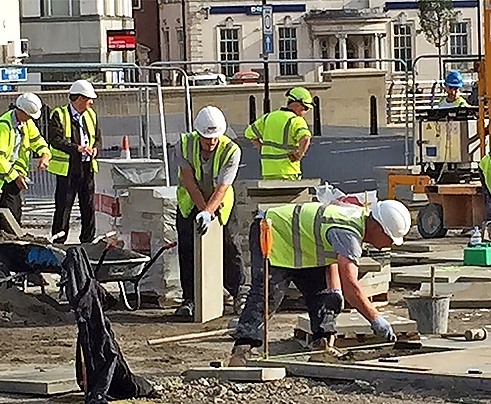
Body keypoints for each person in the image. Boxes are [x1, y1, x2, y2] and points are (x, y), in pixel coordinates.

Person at [228, 199, 411, 366]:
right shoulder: (349, 233)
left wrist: (334, 292)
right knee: (266, 296)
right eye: (390, 239)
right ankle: (241, 353)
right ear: (378, 228)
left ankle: (322, 348)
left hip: (303, 247)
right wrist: (375, 318)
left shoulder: (357, 219)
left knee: (325, 297)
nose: (390, 244)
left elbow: (331, 253)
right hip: (273, 233)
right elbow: (352, 288)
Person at [174, 106, 245, 317]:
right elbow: (188, 181)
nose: (211, 142)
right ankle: (190, 298)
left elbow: (223, 186)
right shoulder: (184, 145)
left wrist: (209, 212)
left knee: (229, 245)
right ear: (198, 134)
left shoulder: (231, 150)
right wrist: (200, 210)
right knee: (188, 248)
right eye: (207, 138)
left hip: (220, 203)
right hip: (190, 203)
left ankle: (237, 292)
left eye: (215, 138)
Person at [0, 93, 50, 232]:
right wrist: (15, 176)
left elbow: (37, 141)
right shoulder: (2, 127)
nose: (32, 119)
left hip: (10, 177)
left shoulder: (26, 123)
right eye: (30, 115)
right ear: (21, 111)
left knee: (13, 215)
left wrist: (44, 154)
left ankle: (8, 246)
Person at [48, 80, 100, 243]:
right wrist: (77, 148)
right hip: (68, 169)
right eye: (89, 99)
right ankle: (59, 242)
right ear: (79, 99)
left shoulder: (91, 115)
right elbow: (55, 140)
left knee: (88, 206)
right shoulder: (59, 114)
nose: (91, 102)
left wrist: (95, 148)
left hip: (87, 167)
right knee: (64, 207)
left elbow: (97, 137)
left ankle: (87, 241)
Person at [244, 87, 313, 180]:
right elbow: (305, 138)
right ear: (297, 103)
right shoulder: (296, 120)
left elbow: (249, 133)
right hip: (289, 172)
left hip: (268, 172)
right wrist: (299, 154)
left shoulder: (268, 117)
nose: (304, 112)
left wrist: (261, 147)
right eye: (305, 107)